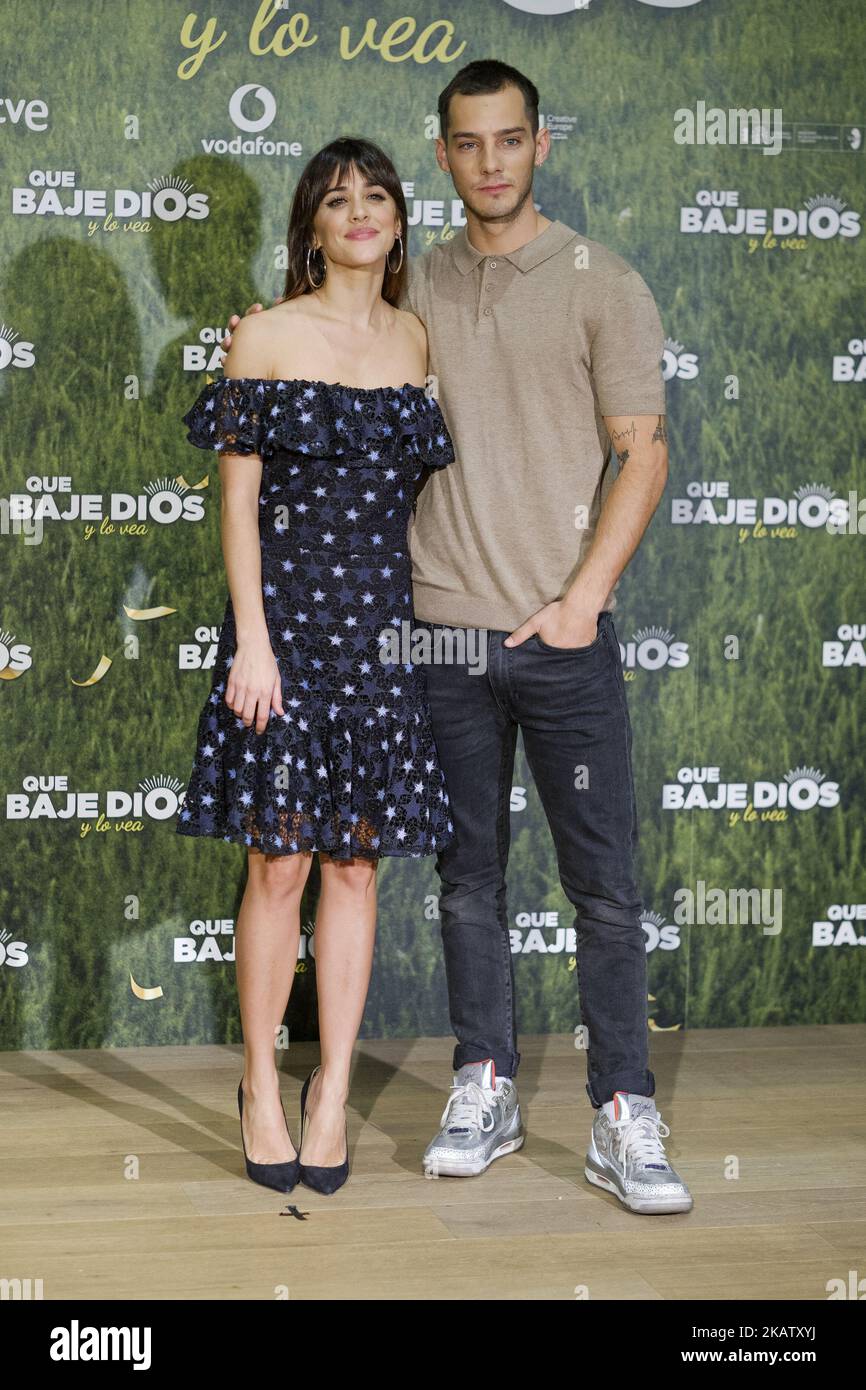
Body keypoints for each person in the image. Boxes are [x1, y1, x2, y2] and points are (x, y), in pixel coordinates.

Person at [222, 60, 693, 1215]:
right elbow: (308, 363)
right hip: (432, 638)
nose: (489, 161)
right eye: (466, 144)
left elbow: (644, 449)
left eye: (508, 140)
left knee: (602, 884)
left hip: (559, 634)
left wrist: (582, 597)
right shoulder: (412, 287)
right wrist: (255, 329)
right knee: (466, 880)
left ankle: (623, 1110)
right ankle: (481, 1080)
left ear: (541, 144)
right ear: (442, 157)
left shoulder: (602, 281)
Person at [176, 137, 456, 1197]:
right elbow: (237, 501)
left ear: (394, 219)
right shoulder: (265, 336)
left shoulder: (415, 340)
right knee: (278, 864)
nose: (357, 213)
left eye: (375, 196)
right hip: (282, 633)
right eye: (336, 199)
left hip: (379, 637)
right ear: (311, 224)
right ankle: (259, 1079)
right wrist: (250, 638)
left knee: (353, 864)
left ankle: (329, 1090)